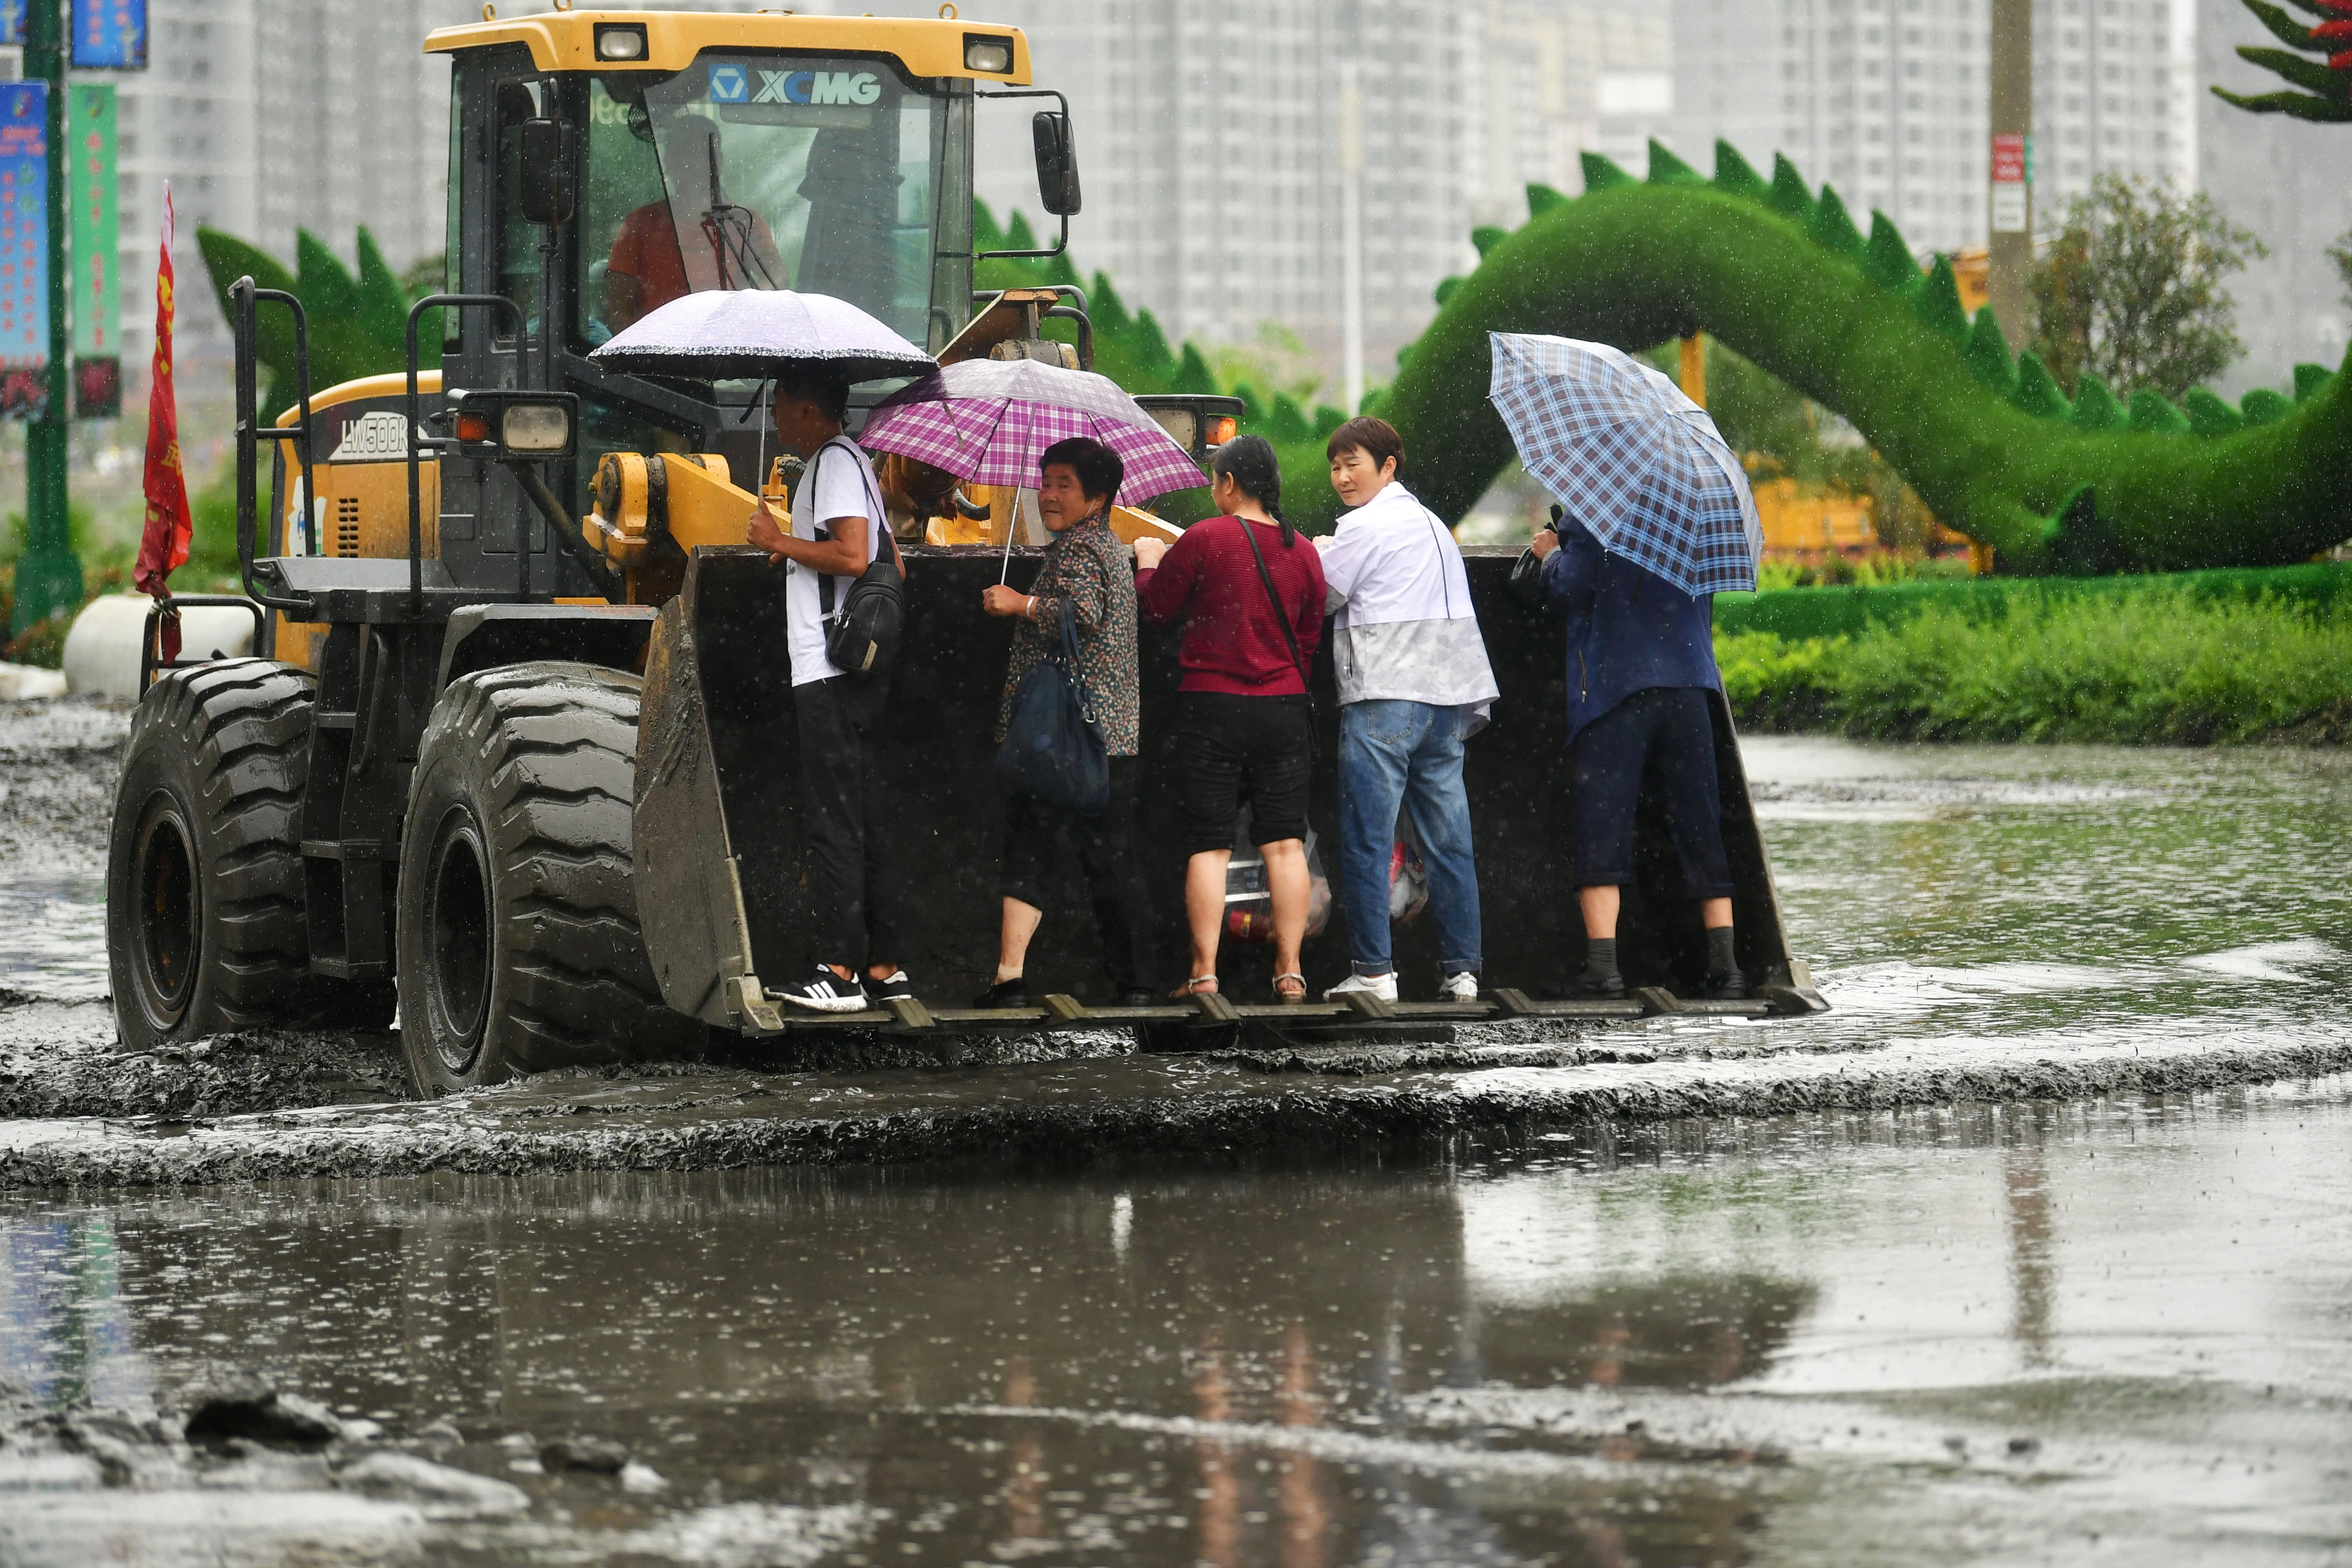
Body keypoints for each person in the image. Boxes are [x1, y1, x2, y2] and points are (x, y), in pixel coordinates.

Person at [745, 366, 917, 1012]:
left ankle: (838, 969)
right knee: (867, 816)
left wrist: (778, 539)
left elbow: (852, 556)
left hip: (829, 669)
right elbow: (889, 564)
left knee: (835, 822)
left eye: (783, 403)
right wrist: (794, 550)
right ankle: (885, 964)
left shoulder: (830, 464)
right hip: (862, 674)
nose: (777, 415)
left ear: (811, 409)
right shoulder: (858, 463)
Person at [1133, 435, 1327, 1004]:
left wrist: (1148, 564)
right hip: (1285, 707)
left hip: (1212, 707)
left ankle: (1203, 973)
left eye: (1216, 479)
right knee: (1286, 843)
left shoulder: (1203, 539)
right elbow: (1310, 632)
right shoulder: (1302, 551)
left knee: (1210, 844)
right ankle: (1290, 971)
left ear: (1230, 484)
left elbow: (1155, 608)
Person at [1314, 417, 1498, 1004]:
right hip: (1446, 703)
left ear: (1388, 466)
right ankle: (1462, 972)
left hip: (1384, 702)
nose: (1342, 477)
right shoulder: (1434, 527)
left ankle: (1373, 972)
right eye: (1335, 466)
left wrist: (1320, 552)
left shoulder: (1364, 527)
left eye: (1353, 465)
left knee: (1368, 838)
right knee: (1449, 842)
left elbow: (1319, 598)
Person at [1528, 510, 1744, 1000]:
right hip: (1690, 683)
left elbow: (1572, 586)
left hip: (1615, 686)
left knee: (1602, 820)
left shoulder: (1597, 512)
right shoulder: (1699, 514)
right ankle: (1726, 965)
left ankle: (1603, 968)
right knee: (1699, 822)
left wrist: (1552, 553)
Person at [974, 438, 1158, 1009]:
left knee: (1041, 849)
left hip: (1073, 735)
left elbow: (1081, 613)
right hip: (1105, 735)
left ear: (1098, 497)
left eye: (1063, 485)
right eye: (1045, 480)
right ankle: (1133, 983)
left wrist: (1018, 604)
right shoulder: (1100, 544)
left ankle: (1018, 978)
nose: (1047, 494)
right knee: (1101, 857)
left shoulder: (1082, 549)